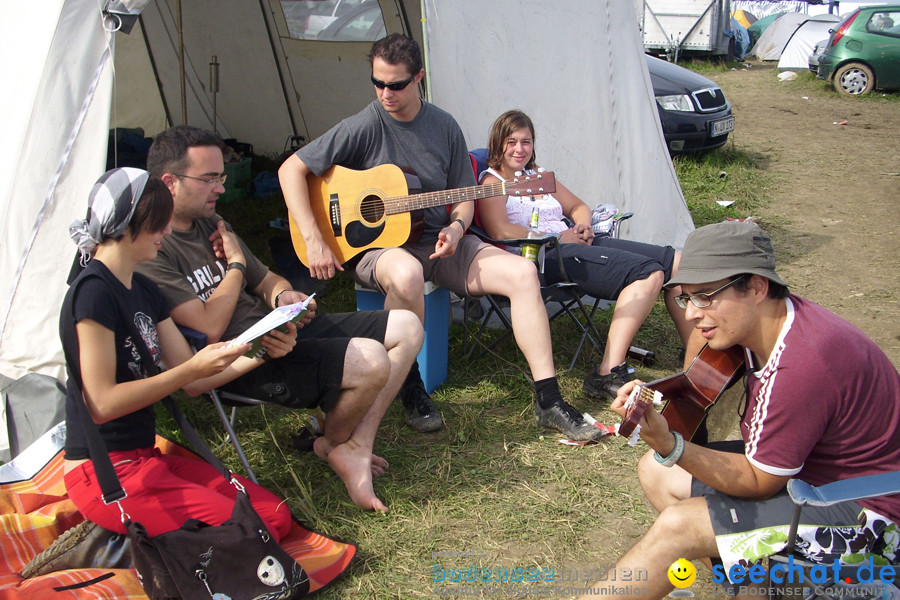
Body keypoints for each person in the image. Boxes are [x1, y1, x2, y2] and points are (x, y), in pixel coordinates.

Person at [278, 34, 605, 442]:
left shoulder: (443, 126)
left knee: (522, 273)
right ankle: (411, 386)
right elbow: (290, 170)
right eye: (377, 83)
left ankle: (549, 400)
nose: (385, 93)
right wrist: (314, 238)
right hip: (378, 247)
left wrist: (455, 227)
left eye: (396, 84)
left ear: (418, 77)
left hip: (438, 238)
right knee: (407, 274)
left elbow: (464, 199)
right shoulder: (365, 124)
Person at [578, 221, 900, 600]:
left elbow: (759, 481)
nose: (693, 314)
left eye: (706, 296)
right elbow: (699, 382)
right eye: (687, 299)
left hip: (871, 520)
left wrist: (671, 443)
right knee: (657, 470)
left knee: (680, 525)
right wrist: (660, 396)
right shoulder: (769, 324)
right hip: (812, 474)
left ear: (757, 287)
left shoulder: (802, 363)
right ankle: (750, 587)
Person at [136, 125, 425, 512]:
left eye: (221, 177)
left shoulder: (212, 223)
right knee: (372, 359)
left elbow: (269, 279)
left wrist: (284, 297)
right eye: (210, 179)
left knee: (408, 326)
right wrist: (236, 263)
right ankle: (342, 446)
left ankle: (350, 446)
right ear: (169, 182)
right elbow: (207, 326)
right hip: (241, 360)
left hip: (277, 331)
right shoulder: (153, 248)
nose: (221, 188)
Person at [62, 167, 295, 539]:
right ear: (126, 226)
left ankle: (150, 537)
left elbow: (193, 376)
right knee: (257, 530)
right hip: (104, 471)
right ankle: (130, 540)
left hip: (145, 457)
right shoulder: (92, 293)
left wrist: (263, 351)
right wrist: (190, 371)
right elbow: (102, 403)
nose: (166, 232)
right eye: (157, 224)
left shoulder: (142, 287)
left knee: (276, 515)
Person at [479, 110, 693, 401]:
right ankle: (607, 372)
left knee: (680, 265)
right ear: (497, 144)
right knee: (649, 273)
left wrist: (583, 225)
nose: (519, 149)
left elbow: (578, 205)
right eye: (511, 141)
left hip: (577, 242)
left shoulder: (539, 176)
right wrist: (556, 238)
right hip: (546, 258)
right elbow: (501, 230)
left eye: (526, 142)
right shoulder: (491, 183)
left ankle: (695, 355)